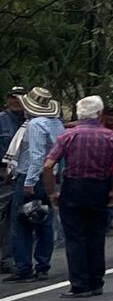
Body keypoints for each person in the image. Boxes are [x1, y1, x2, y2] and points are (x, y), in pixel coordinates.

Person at [40, 95, 113, 298]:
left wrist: (51, 192)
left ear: (79, 114)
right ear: (99, 114)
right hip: (100, 188)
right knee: (96, 235)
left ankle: (80, 284)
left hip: (73, 188)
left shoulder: (67, 136)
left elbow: (48, 165)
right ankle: (96, 282)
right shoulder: (110, 136)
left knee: (75, 237)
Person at [6, 88, 65, 283]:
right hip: (50, 176)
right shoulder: (56, 124)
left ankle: (24, 267)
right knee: (44, 221)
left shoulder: (35, 125)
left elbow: (37, 156)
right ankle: (42, 265)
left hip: (32, 176)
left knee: (21, 222)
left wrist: (29, 181)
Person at [0, 88, 23, 276]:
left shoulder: (28, 122)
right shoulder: (1, 120)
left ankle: (8, 259)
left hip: (18, 177)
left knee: (12, 219)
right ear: (7, 100)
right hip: (2, 176)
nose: (16, 101)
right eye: (13, 98)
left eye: (20, 98)